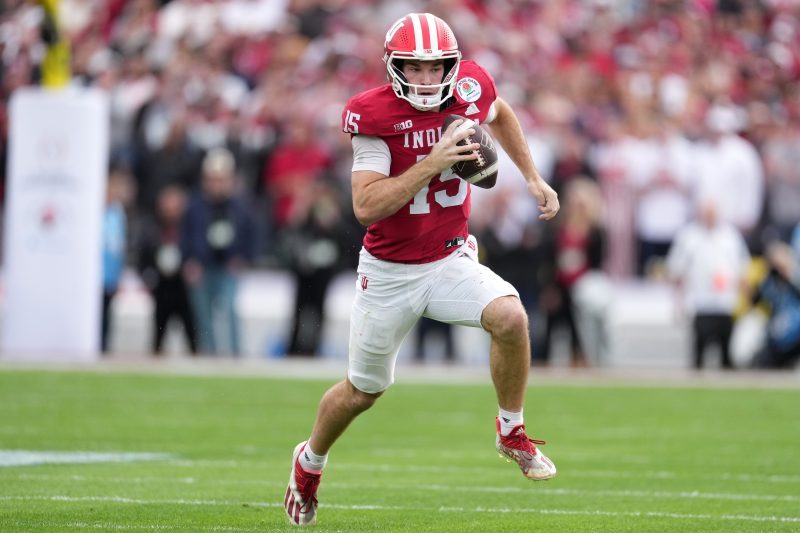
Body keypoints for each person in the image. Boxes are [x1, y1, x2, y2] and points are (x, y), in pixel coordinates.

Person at [284, 13, 560, 526]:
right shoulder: (372, 114)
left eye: (437, 67)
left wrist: (531, 176)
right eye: (415, 67)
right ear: (395, 66)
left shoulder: (471, 86)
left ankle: (511, 430)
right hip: (389, 271)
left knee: (510, 317)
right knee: (362, 392)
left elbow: (499, 112)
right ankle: (310, 461)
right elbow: (366, 206)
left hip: (450, 257)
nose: (428, 78)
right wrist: (433, 161)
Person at [181, 148, 256, 355]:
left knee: (230, 310)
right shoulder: (195, 206)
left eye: (221, 179)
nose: (217, 185)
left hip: (228, 267)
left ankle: (234, 354)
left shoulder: (241, 207)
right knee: (203, 316)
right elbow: (186, 235)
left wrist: (243, 258)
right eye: (213, 179)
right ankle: (209, 354)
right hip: (202, 267)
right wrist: (189, 260)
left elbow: (251, 235)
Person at [665, 200, 751, 369]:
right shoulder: (689, 236)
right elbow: (677, 270)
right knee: (699, 354)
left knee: (727, 354)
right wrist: (678, 302)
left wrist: (745, 299)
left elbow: (742, 268)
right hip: (701, 303)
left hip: (725, 303)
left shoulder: (730, 235)